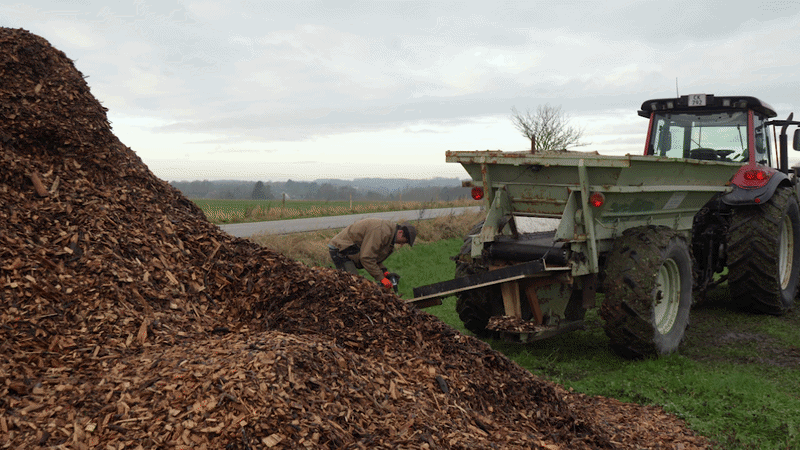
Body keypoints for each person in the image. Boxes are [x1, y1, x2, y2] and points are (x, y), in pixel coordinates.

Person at [328, 218, 417, 290]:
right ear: (400, 233)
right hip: (341, 250)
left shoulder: (389, 234)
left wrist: (384, 272)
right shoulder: (381, 232)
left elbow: (374, 255)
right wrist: (381, 278)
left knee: (356, 285)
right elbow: (366, 258)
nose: (401, 244)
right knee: (354, 286)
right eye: (403, 242)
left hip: (354, 250)